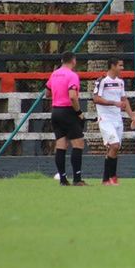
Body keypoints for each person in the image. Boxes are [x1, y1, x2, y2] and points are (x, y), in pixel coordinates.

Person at [93, 58, 135, 186]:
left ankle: (106, 179)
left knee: (114, 149)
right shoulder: (102, 81)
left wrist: (132, 116)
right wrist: (113, 102)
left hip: (117, 119)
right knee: (114, 145)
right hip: (105, 119)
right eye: (120, 65)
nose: (122, 68)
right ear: (112, 66)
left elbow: (124, 100)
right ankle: (111, 177)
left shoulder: (120, 82)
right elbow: (96, 99)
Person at [46, 51, 87, 186]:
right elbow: (72, 96)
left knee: (61, 144)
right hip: (68, 112)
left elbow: (47, 93)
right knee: (78, 143)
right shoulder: (72, 75)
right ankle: (77, 179)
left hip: (56, 111)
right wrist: (79, 112)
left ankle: (63, 179)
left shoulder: (54, 73)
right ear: (73, 61)